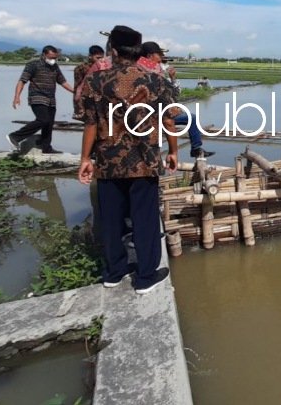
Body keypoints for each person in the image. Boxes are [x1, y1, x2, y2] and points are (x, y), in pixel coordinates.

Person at [79, 25, 178, 294]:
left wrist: (85, 158)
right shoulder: (154, 80)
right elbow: (168, 119)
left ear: (112, 49)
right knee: (144, 218)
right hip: (144, 161)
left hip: (108, 162)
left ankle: (114, 272)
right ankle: (146, 276)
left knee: (110, 219)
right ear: (139, 51)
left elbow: (89, 122)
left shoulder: (95, 81)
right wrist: (173, 151)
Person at [138, 41, 215, 158]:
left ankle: (196, 148)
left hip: (145, 115)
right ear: (150, 56)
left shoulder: (138, 68)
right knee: (191, 118)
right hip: (157, 115)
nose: (161, 59)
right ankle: (196, 149)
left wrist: (173, 78)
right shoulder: (155, 73)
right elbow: (174, 94)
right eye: (159, 56)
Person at [8, 45, 74, 154]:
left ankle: (46, 147)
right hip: (37, 96)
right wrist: (17, 97)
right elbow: (22, 81)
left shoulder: (55, 66)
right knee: (43, 119)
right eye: (51, 57)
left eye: (55, 58)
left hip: (51, 99)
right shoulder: (33, 65)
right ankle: (15, 136)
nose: (53, 60)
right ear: (44, 55)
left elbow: (62, 81)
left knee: (49, 124)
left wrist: (74, 91)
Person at [72, 45, 105, 120]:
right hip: (87, 100)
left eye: (102, 58)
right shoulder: (81, 68)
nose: (100, 60)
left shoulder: (104, 68)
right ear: (90, 56)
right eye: (98, 58)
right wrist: (77, 104)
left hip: (101, 100)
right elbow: (77, 87)